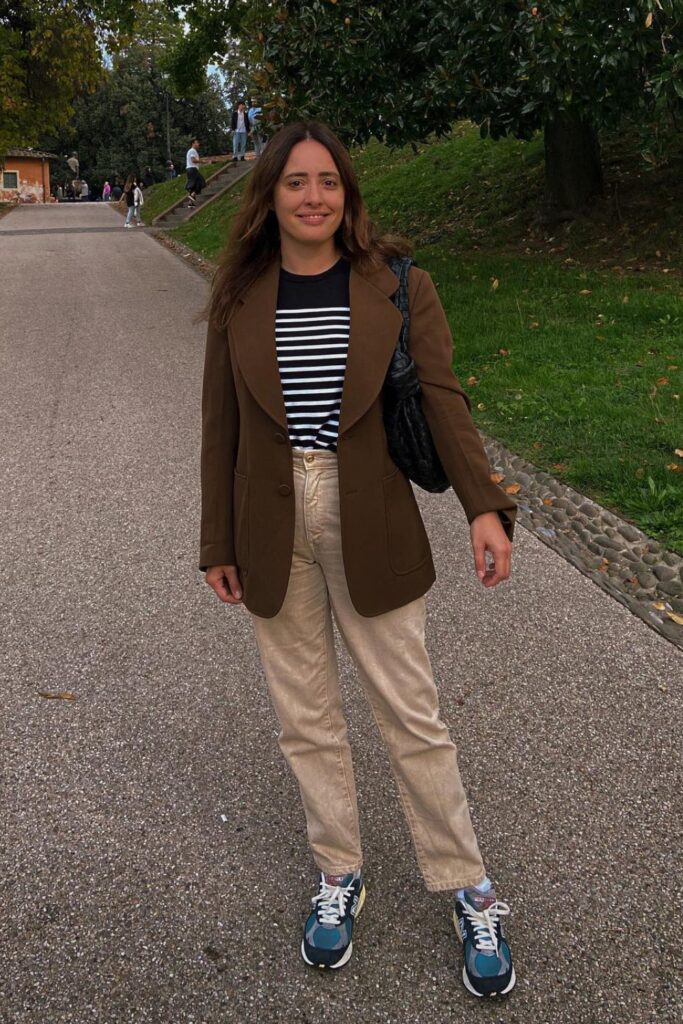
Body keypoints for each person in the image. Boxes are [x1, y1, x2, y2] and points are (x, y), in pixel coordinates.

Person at [200, 122, 518, 999]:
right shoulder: (241, 294)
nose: (313, 197)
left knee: (410, 713)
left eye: (328, 182)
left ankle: (467, 885)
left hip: (366, 508)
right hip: (270, 518)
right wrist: (215, 543)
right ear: (267, 197)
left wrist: (484, 505)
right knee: (305, 718)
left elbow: (444, 398)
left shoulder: (396, 285)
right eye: (295, 182)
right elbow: (218, 428)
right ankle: (338, 872)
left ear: (347, 193)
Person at [185, 137, 204, 207]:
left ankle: (190, 203)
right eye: (197, 143)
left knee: (193, 186)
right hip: (192, 169)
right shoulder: (192, 150)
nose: (198, 144)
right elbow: (193, 160)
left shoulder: (191, 151)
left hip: (189, 170)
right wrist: (202, 161)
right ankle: (193, 195)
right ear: (193, 144)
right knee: (202, 182)